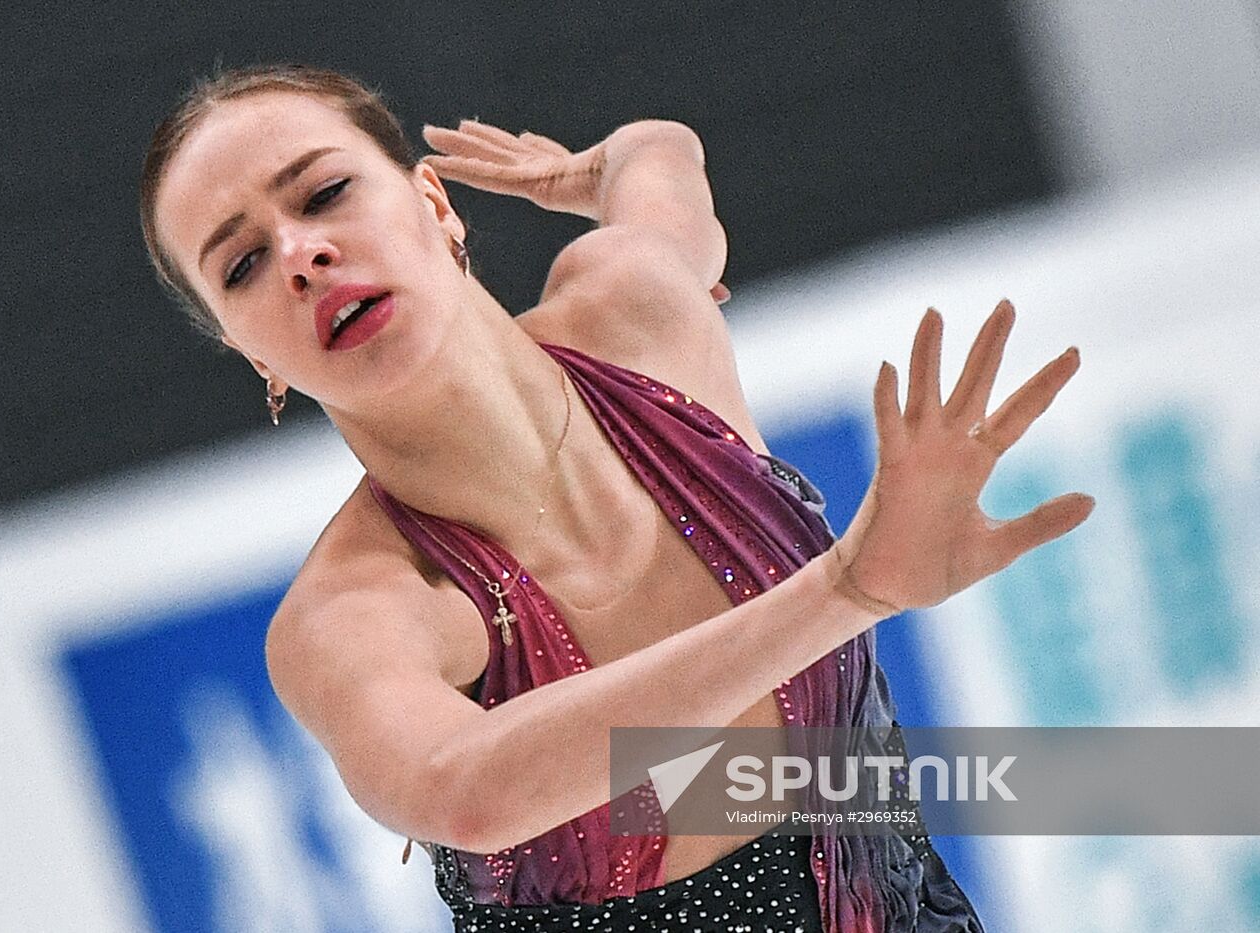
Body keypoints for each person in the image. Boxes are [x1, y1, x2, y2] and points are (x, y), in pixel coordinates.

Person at [139, 64, 1093, 932]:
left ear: (434, 202)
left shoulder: (636, 315)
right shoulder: (359, 612)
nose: (300, 252)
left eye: (325, 192)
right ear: (254, 353)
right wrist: (845, 591)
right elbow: (465, 789)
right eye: (243, 265)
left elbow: (664, 153)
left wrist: (596, 171)